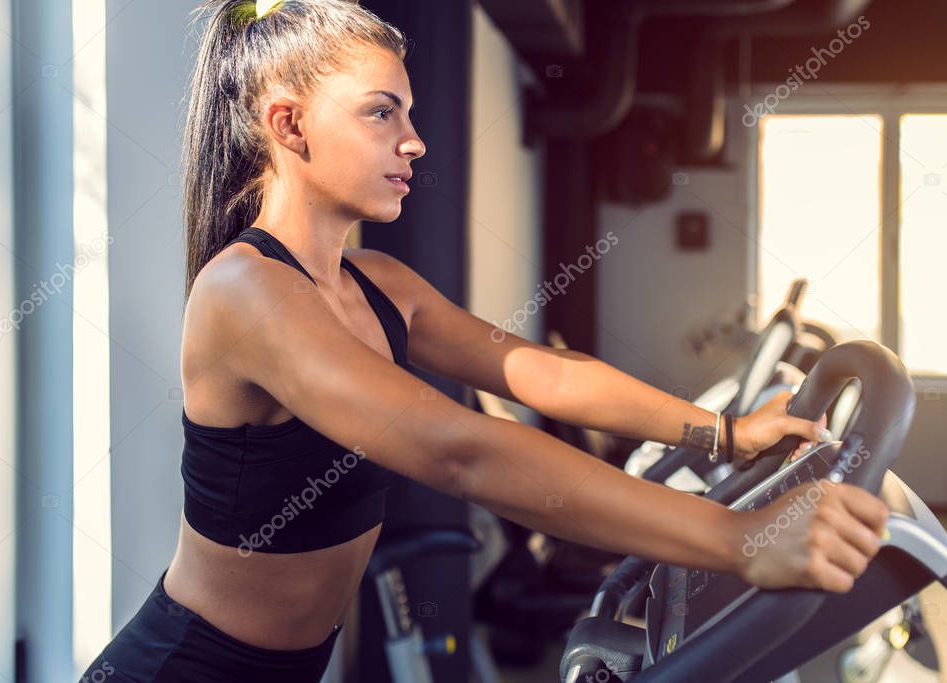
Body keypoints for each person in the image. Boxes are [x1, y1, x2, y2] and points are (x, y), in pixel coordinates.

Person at [79, 0, 889, 680]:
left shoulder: (376, 284)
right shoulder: (244, 290)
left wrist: (721, 431)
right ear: (288, 125)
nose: (413, 141)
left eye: (410, 112)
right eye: (379, 111)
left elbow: (538, 371)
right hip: (186, 664)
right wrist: (738, 540)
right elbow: (458, 450)